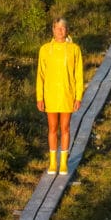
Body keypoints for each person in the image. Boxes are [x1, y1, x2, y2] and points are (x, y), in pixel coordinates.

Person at [36, 17, 84, 175]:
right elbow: (40, 75)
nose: (60, 31)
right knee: (52, 128)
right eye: (57, 28)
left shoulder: (74, 49)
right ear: (53, 30)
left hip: (67, 94)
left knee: (65, 127)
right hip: (50, 94)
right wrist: (40, 97)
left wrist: (78, 96)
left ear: (67, 30)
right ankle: (52, 162)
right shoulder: (44, 49)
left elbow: (78, 74)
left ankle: (63, 162)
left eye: (63, 28)